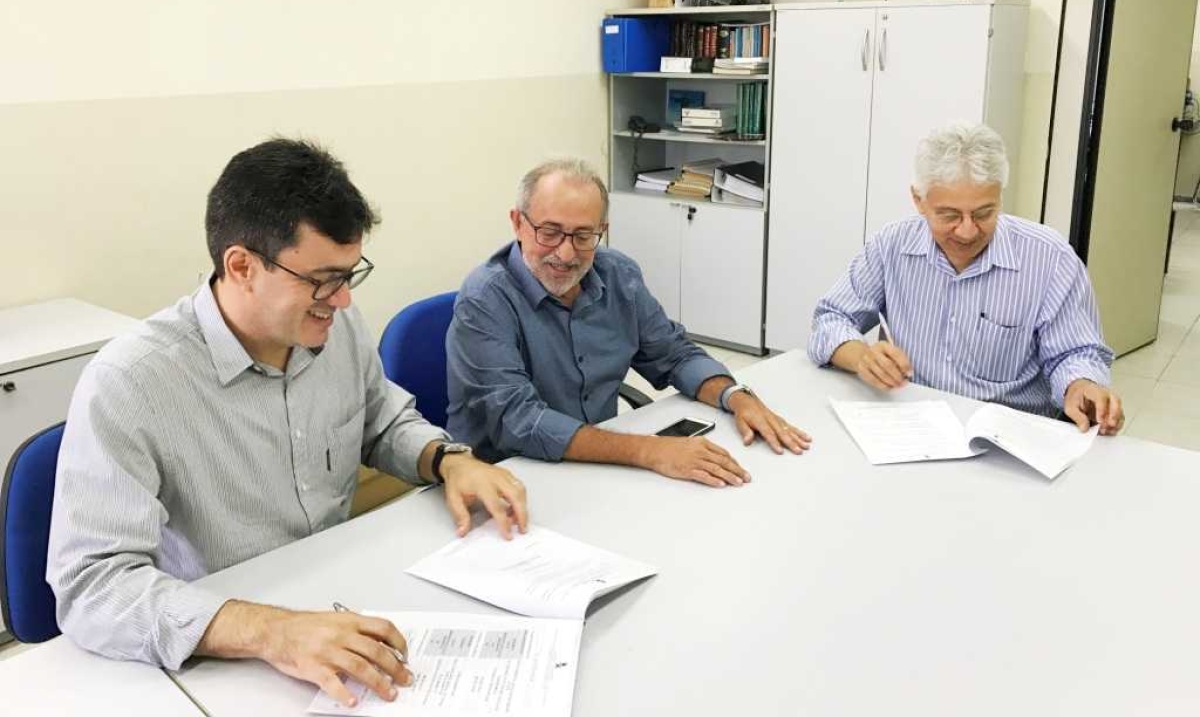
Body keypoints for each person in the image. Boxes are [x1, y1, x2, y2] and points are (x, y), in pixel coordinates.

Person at [48, 139, 528, 708]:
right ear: (242, 266)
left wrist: (447, 459)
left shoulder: (330, 327)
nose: (344, 300)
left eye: (351, 275)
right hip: (221, 652)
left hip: (342, 606)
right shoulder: (131, 383)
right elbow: (91, 586)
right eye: (324, 279)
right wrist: (273, 631)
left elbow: (380, 419)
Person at [446, 158, 811, 486]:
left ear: (601, 230)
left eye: (583, 235)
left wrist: (736, 397)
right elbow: (520, 422)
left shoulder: (618, 273)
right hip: (506, 479)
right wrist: (649, 451)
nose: (566, 253)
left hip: (600, 467)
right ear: (517, 224)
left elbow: (674, 354)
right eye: (550, 232)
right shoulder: (484, 299)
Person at [808, 125, 1123, 435]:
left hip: (1009, 436)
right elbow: (831, 319)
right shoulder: (892, 245)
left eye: (984, 213)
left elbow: (1076, 353)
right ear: (918, 200)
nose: (967, 231)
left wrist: (1081, 384)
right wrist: (862, 357)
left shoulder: (1050, 258)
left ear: (1000, 197)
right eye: (949, 215)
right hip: (911, 425)